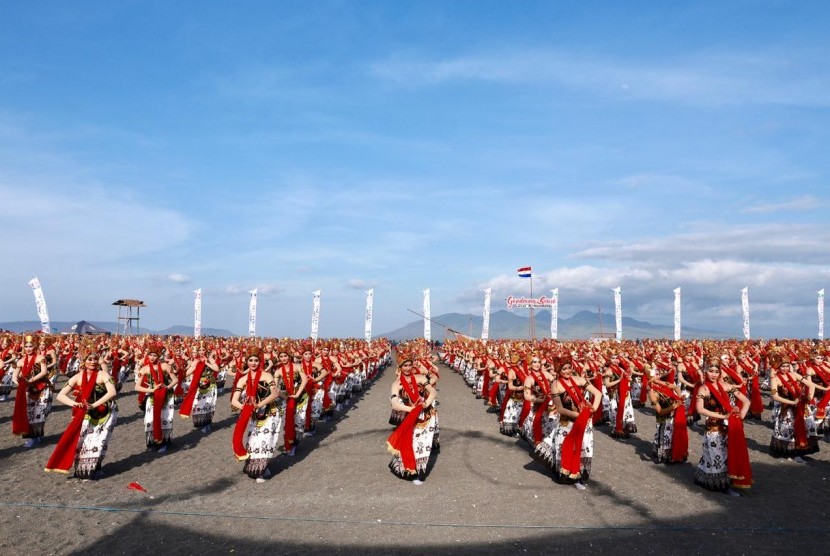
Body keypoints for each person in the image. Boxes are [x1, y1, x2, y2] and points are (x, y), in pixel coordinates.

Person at [45, 347, 118, 479]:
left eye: (96, 359)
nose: (93, 362)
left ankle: (96, 467)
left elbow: (112, 392)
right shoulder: (77, 377)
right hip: (85, 412)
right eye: (90, 359)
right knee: (84, 441)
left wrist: (94, 405)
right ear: (84, 361)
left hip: (105, 412)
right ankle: (84, 469)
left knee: (99, 440)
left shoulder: (103, 374)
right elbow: (60, 396)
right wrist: (75, 404)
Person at [694, 360, 752, 495]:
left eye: (716, 371)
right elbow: (700, 409)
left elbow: (746, 401)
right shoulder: (704, 389)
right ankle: (722, 485)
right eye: (710, 371)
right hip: (713, 428)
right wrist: (723, 416)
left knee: (727, 453)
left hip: (729, 426)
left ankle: (723, 481)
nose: (713, 374)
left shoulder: (726, 386)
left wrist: (741, 415)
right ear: (705, 372)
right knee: (715, 454)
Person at [551, 359, 601, 490]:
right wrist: (576, 416)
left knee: (583, 447)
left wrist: (593, 409)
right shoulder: (555, 385)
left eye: (569, 367)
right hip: (567, 421)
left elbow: (598, 393)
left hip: (584, 420)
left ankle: (578, 476)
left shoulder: (579, 379)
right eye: (564, 369)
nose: (567, 371)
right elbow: (560, 408)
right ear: (558, 370)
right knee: (566, 447)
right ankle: (565, 475)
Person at [231, 350, 280, 483]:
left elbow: (275, 393)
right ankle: (260, 467)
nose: (253, 363)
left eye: (256, 360)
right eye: (250, 360)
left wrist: (259, 405)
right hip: (253, 415)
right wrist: (246, 408)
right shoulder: (243, 379)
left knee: (265, 440)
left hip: (270, 413)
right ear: (247, 362)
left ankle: (261, 470)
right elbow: (234, 400)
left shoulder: (267, 375)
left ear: (260, 361)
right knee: (252, 442)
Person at [387, 358, 437, 485]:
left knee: (422, 447)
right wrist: (412, 409)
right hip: (410, 417)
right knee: (411, 444)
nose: (408, 368)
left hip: (426, 416)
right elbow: (394, 404)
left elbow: (433, 392)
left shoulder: (420, 378)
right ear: (400, 367)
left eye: (410, 365)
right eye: (405, 366)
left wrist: (425, 404)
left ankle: (418, 473)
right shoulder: (396, 384)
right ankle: (411, 470)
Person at [769, 358, 818, 461]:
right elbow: (775, 397)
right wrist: (792, 403)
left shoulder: (794, 375)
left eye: (787, 366)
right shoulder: (775, 379)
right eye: (783, 366)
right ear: (778, 367)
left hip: (801, 405)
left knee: (805, 427)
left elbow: (811, 385)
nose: (785, 368)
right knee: (789, 429)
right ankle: (790, 452)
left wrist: (809, 397)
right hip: (786, 407)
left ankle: (799, 452)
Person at [134, 346, 178, 453]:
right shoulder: (144, 369)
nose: (152, 357)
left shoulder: (165, 366)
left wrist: (167, 387)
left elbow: (175, 379)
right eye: (151, 355)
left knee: (165, 419)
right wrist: (152, 389)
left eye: (155, 355)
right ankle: (153, 441)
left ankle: (164, 442)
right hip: (152, 396)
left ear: (159, 356)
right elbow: (137, 387)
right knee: (149, 419)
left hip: (166, 396)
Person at [12, 336, 52, 448]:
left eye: (31, 346)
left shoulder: (40, 358)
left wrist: (31, 380)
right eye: (26, 346)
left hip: (42, 388)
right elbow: (15, 375)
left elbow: (44, 372)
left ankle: (36, 436)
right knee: (30, 413)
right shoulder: (20, 361)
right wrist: (19, 382)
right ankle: (34, 437)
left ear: (35, 346)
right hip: (28, 389)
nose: (28, 348)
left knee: (40, 412)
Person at [648, 371, 688, 464]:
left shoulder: (662, 385)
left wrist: (679, 396)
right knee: (664, 436)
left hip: (673, 417)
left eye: (658, 374)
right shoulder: (652, 392)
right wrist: (676, 405)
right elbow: (660, 411)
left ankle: (673, 453)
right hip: (663, 419)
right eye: (655, 374)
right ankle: (663, 454)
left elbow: (675, 387)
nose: (658, 376)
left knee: (673, 435)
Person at [179, 347, 220, 434]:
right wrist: (180, 373)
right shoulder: (196, 361)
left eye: (203, 350)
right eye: (199, 350)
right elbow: (188, 372)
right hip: (200, 386)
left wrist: (206, 363)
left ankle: (207, 424)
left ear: (206, 350)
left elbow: (216, 369)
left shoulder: (210, 359)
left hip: (210, 386)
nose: (201, 352)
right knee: (197, 405)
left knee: (208, 405)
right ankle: (204, 423)